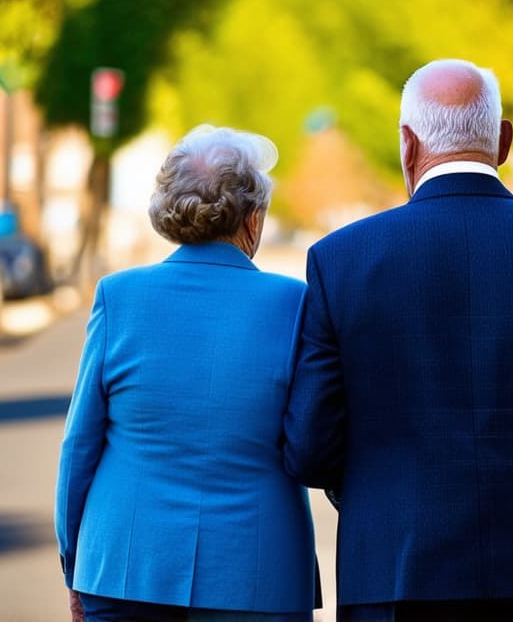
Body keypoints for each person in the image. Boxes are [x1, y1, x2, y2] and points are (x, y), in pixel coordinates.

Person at [283, 60, 513, 622]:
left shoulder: (341, 260)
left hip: (397, 572)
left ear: (407, 144)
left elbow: (311, 446)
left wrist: (377, 498)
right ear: (503, 141)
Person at [56, 125, 320, 622]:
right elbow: (311, 439)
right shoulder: (296, 303)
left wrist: (76, 563)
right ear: (253, 216)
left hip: (125, 567)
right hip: (257, 573)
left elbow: (80, 446)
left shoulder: (119, 297)